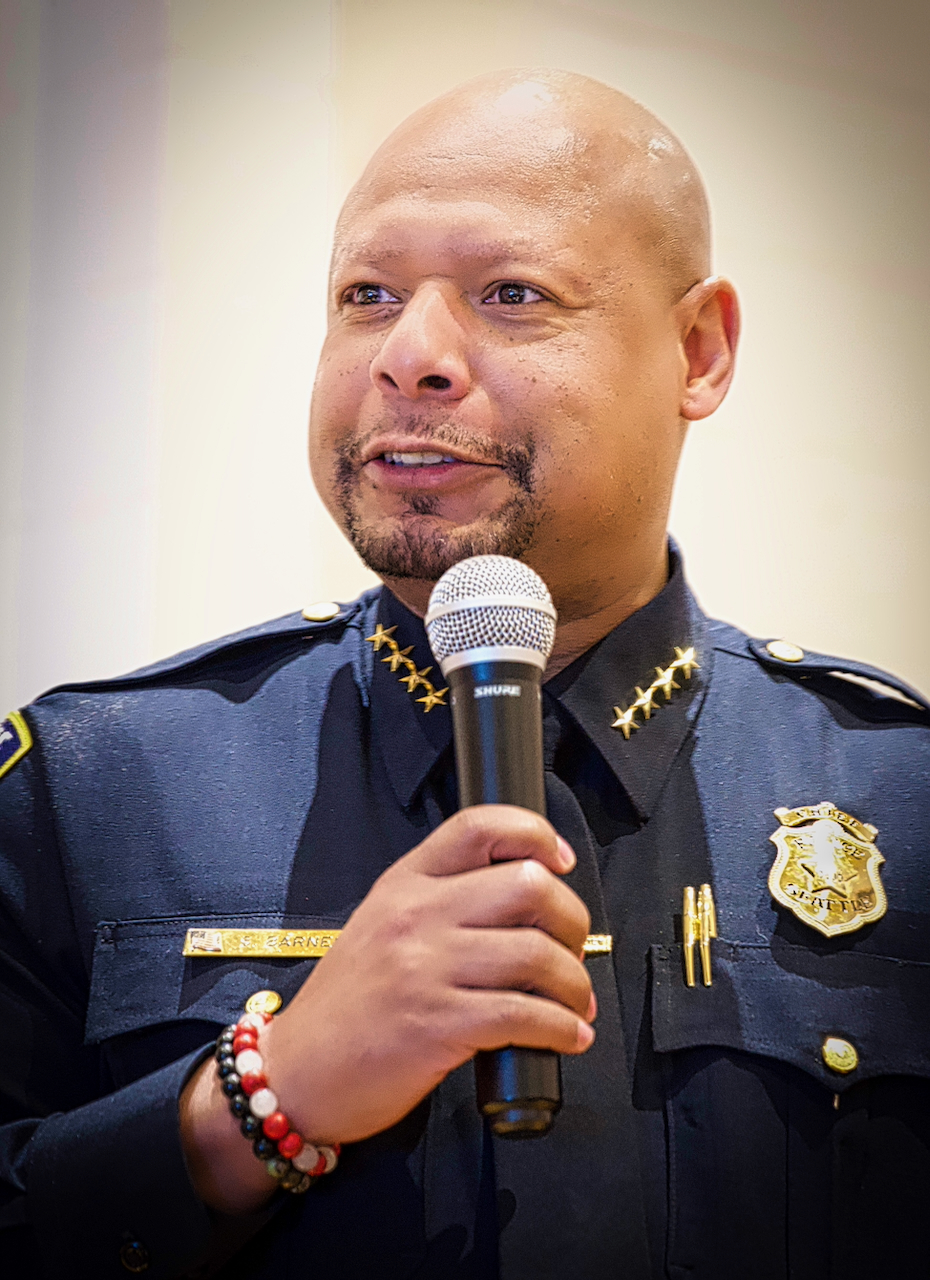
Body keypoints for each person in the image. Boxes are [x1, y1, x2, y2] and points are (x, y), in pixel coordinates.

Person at [0, 68, 927, 1280]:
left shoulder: (904, 797)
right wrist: (264, 1097)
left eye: (511, 293)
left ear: (698, 351)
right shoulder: (90, 789)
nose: (411, 354)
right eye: (368, 296)